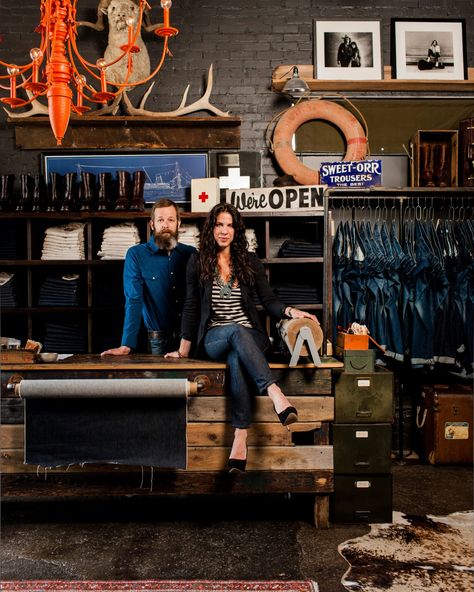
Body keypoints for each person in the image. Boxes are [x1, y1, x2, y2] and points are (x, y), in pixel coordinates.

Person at [165, 203, 319, 473]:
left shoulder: (249, 261)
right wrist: (183, 350)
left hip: (252, 335)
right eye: (219, 225)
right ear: (211, 228)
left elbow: (268, 301)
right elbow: (190, 307)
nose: (224, 231)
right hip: (215, 336)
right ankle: (275, 393)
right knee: (234, 332)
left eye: (229, 225)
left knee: (237, 355)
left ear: (237, 230)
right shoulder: (198, 261)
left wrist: (291, 311)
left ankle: (240, 436)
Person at [101, 198, 196, 356]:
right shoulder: (136, 255)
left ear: (179, 223)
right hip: (158, 341)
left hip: (190, 341)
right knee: (159, 381)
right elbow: (133, 300)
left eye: (171, 220)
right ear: (152, 224)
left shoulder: (191, 254)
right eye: (160, 220)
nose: (165, 225)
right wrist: (126, 344)